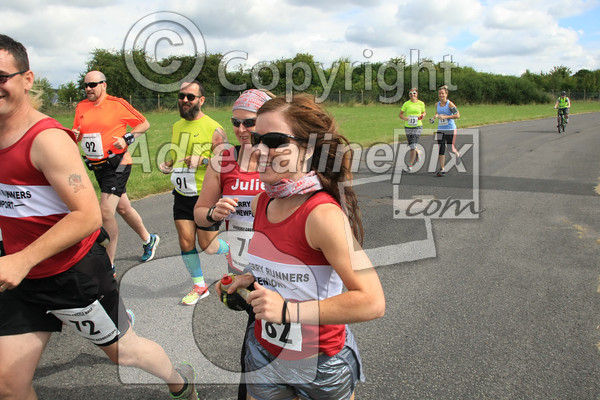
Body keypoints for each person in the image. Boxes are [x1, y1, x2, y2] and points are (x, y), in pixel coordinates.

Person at [0, 34, 198, 400]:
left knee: (127, 352)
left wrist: (20, 260)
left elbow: (88, 216)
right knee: (8, 385)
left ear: (27, 79)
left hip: (71, 275)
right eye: (86, 84)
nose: (90, 88)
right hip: (22, 280)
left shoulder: (44, 139)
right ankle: (143, 241)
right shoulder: (69, 114)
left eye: (1, 77)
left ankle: (179, 381)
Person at [222, 95, 386, 400]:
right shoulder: (263, 200)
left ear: (307, 149)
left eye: (273, 140)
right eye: (257, 139)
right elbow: (284, 271)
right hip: (265, 353)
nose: (258, 150)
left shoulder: (322, 215)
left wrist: (288, 311)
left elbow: (372, 301)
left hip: (320, 363)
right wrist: (250, 279)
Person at [194, 89, 272, 400]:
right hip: (242, 270)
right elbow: (200, 213)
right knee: (259, 347)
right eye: (235, 122)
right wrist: (214, 213)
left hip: (278, 272)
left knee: (265, 351)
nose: (240, 130)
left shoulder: (279, 157)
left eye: (249, 123)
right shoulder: (223, 159)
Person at [72, 70, 160, 274]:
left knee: (105, 211)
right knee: (123, 208)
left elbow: (144, 123)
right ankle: (149, 239)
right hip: (98, 166)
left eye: (92, 85)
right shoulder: (81, 107)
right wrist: (75, 134)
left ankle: (108, 264)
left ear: (104, 85)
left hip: (119, 163)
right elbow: (78, 133)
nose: (88, 89)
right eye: (85, 85)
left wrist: (127, 138)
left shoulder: (117, 104)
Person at [158, 81, 229, 305]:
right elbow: (181, 155)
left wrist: (204, 160)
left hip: (206, 195)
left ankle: (233, 249)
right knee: (186, 240)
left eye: (190, 97)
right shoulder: (177, 126)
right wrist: (170, 164)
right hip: (182, 192)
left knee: (208, 246)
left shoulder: (214, 128)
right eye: (182, 96)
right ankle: (199, 286)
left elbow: (226, 162)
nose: (185, 100)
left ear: (201, 100)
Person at [433, 85, 461, 177]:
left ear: (446, 94)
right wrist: (435, 117)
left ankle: (457, 154)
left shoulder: (450, 104)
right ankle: (442, 169)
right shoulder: (437, 104)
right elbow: (437, 112)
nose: (441, 95)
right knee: (441, 149)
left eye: (443, 94)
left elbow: (457, 115)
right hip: (440, 129)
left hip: (450, 129)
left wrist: (446, 117)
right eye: (440, 94)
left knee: (450, 148)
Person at [399, 87, 426, 172]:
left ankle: (410, 164)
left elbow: (424, 112)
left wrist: (423, 115)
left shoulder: (421, 103)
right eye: (410, 93)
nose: (412, 95)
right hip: (408, 126)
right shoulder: (406, 104)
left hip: (418, 126)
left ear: (417, 94)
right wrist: (404, 118)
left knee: (413, 145)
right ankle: (418, 153)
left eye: (414, 93)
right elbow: (400, 115)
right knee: (411, 144)